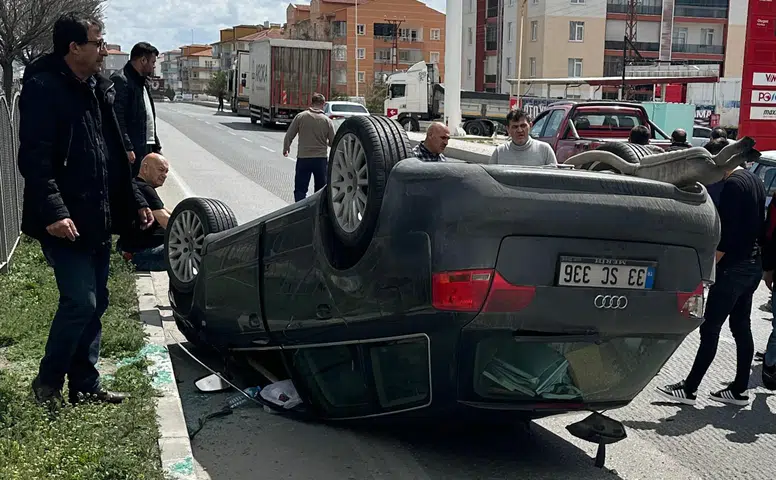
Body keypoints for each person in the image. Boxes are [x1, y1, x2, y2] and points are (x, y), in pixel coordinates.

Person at [17, 12, 153, 408]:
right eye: (97, 43)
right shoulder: (43, 89)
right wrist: (56, 212)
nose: (104, 50)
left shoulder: (98, 87)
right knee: (80, 301)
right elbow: (35, 160)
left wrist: (138, 200)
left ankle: (84, 384)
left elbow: (114, 154)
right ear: (74, 47)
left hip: (98, 216)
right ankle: (46, 385)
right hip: (65, 220)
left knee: (99, 301)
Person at [657, 156, 765, 406]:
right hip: (752, 264)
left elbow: (725, 235)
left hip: (733, 268)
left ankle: (690, 388)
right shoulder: (754, 180)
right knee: (741, 327)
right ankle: (739, 390)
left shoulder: (732, 186)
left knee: (710, 328)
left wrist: (707, 270)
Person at [111, 41, 162, 178]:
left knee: (146, 187)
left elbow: (147, 118)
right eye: (152, 62)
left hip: (146, 146)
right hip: (133, 149)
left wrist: (156, 147)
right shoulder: (121, 80)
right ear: (143, 60)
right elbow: (117, 117)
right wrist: (127, 147)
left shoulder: (143, 82)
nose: (154, 66)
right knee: (133, 188)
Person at [117, 153, 171, 271]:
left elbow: (169, 213)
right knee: (197, 251)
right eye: (161, 170)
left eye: (166, 172)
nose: (164, 175)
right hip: (142, 255)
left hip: (130, 250)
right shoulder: (144, 188)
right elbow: (166, 221)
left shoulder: (137, 186)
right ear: (145, 168)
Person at [283, 93, 335, 202]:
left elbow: (290, 134)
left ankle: (300, 210)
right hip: (320, 159)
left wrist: (286, 148)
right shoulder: (327, 121)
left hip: (304, 158)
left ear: (311, 103)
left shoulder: (301, 117)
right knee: (320, 190)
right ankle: (318, 212)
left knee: (300, 189)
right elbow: (332, 142)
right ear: (323, 104)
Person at [489, 108, 557, 166]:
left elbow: (555, 179)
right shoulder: (499, 152)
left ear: (530, 126)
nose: (519, 130)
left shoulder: (545, 150)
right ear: (508, 129)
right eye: (515, 127)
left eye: (523, 126)